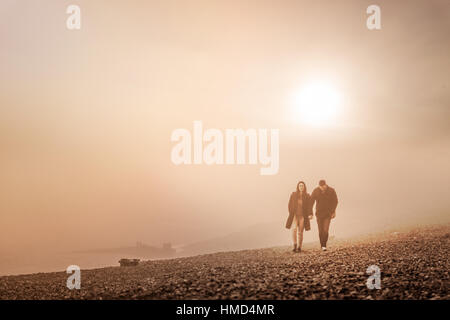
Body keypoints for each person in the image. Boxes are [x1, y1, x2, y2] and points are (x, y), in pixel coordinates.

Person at [311, 180, 338, 251]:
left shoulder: (331, 190)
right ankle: (322, 244)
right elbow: (311, 201)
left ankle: (324, 245)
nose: (322, 188)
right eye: (320, 187)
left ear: (325, 185)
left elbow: (335, 201)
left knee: (325, 230)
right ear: (319, 186)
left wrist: (333, 211)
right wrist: (310, 213)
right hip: (319, 214)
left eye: (323, 187)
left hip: (328, 214)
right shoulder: (316, 191)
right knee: (320, 231)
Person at [286, 181, 313, 253]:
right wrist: (291, 212)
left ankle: (299, 247)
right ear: (298, 187)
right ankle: (294, 245)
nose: (301, 187)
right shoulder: (294, 194)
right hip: (294, 215)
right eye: (300, 186)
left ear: (304, 187)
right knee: (294, 229)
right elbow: (289, 204)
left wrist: (310, 214)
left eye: (302, 186)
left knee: (300, 232)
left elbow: (310, 206)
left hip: (303, 216)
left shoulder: (307, 196)